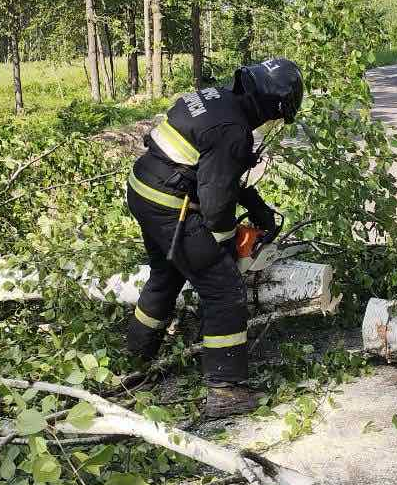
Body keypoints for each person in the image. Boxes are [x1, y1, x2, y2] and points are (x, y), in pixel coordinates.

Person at [125, 57, 304, 418]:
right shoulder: (234, 131)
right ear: (272, 105)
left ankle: (134, 361)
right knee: (224, 289)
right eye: (276, 117)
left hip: (145, 191)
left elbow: (211, 168)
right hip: (171, 205)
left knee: (166, 276)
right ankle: (224, 391)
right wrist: (225, 250)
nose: (271, 124)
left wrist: (256, 206)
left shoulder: (217, 99)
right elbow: (216, 205)